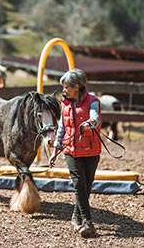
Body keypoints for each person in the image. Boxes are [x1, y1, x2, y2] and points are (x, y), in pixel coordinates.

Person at [49, 68, 102, 238]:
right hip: (71, 150)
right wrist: (56, 151)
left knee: (86, 188)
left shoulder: (93, 101)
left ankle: (75, 216)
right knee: (79, 184)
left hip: (91, 150)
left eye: (66, 87)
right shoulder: (64, 104)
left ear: (77, 86)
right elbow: (62, 129)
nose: (64, 90)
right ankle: (87, 222)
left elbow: (96, 117)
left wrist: (89, 123)